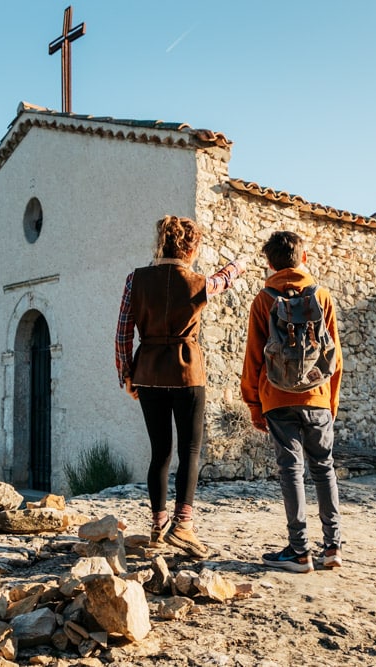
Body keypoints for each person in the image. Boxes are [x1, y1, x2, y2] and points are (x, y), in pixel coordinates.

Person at [115, 215, 246, 559]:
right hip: (188, 371)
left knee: (160, 451)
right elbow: (222, 281)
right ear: (192, 247)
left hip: (148, 372)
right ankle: (183, 527)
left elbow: (122, 331)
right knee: (189, 450)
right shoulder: (198, 281)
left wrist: (125, 374)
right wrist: (237, 266)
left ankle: (158, 527)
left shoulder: (135, 280)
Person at [240, 230, 344, 573]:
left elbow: (254, 358)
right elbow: (336, 357)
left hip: (277, 398)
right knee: (324, 469)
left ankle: (299, 552)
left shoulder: (263, 300)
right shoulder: (323, 295)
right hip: (317, 396)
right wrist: (330, 403)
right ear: (303, 258)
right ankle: (332, 547)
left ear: (269, 263)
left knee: (291, 471)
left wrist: (254, 405)